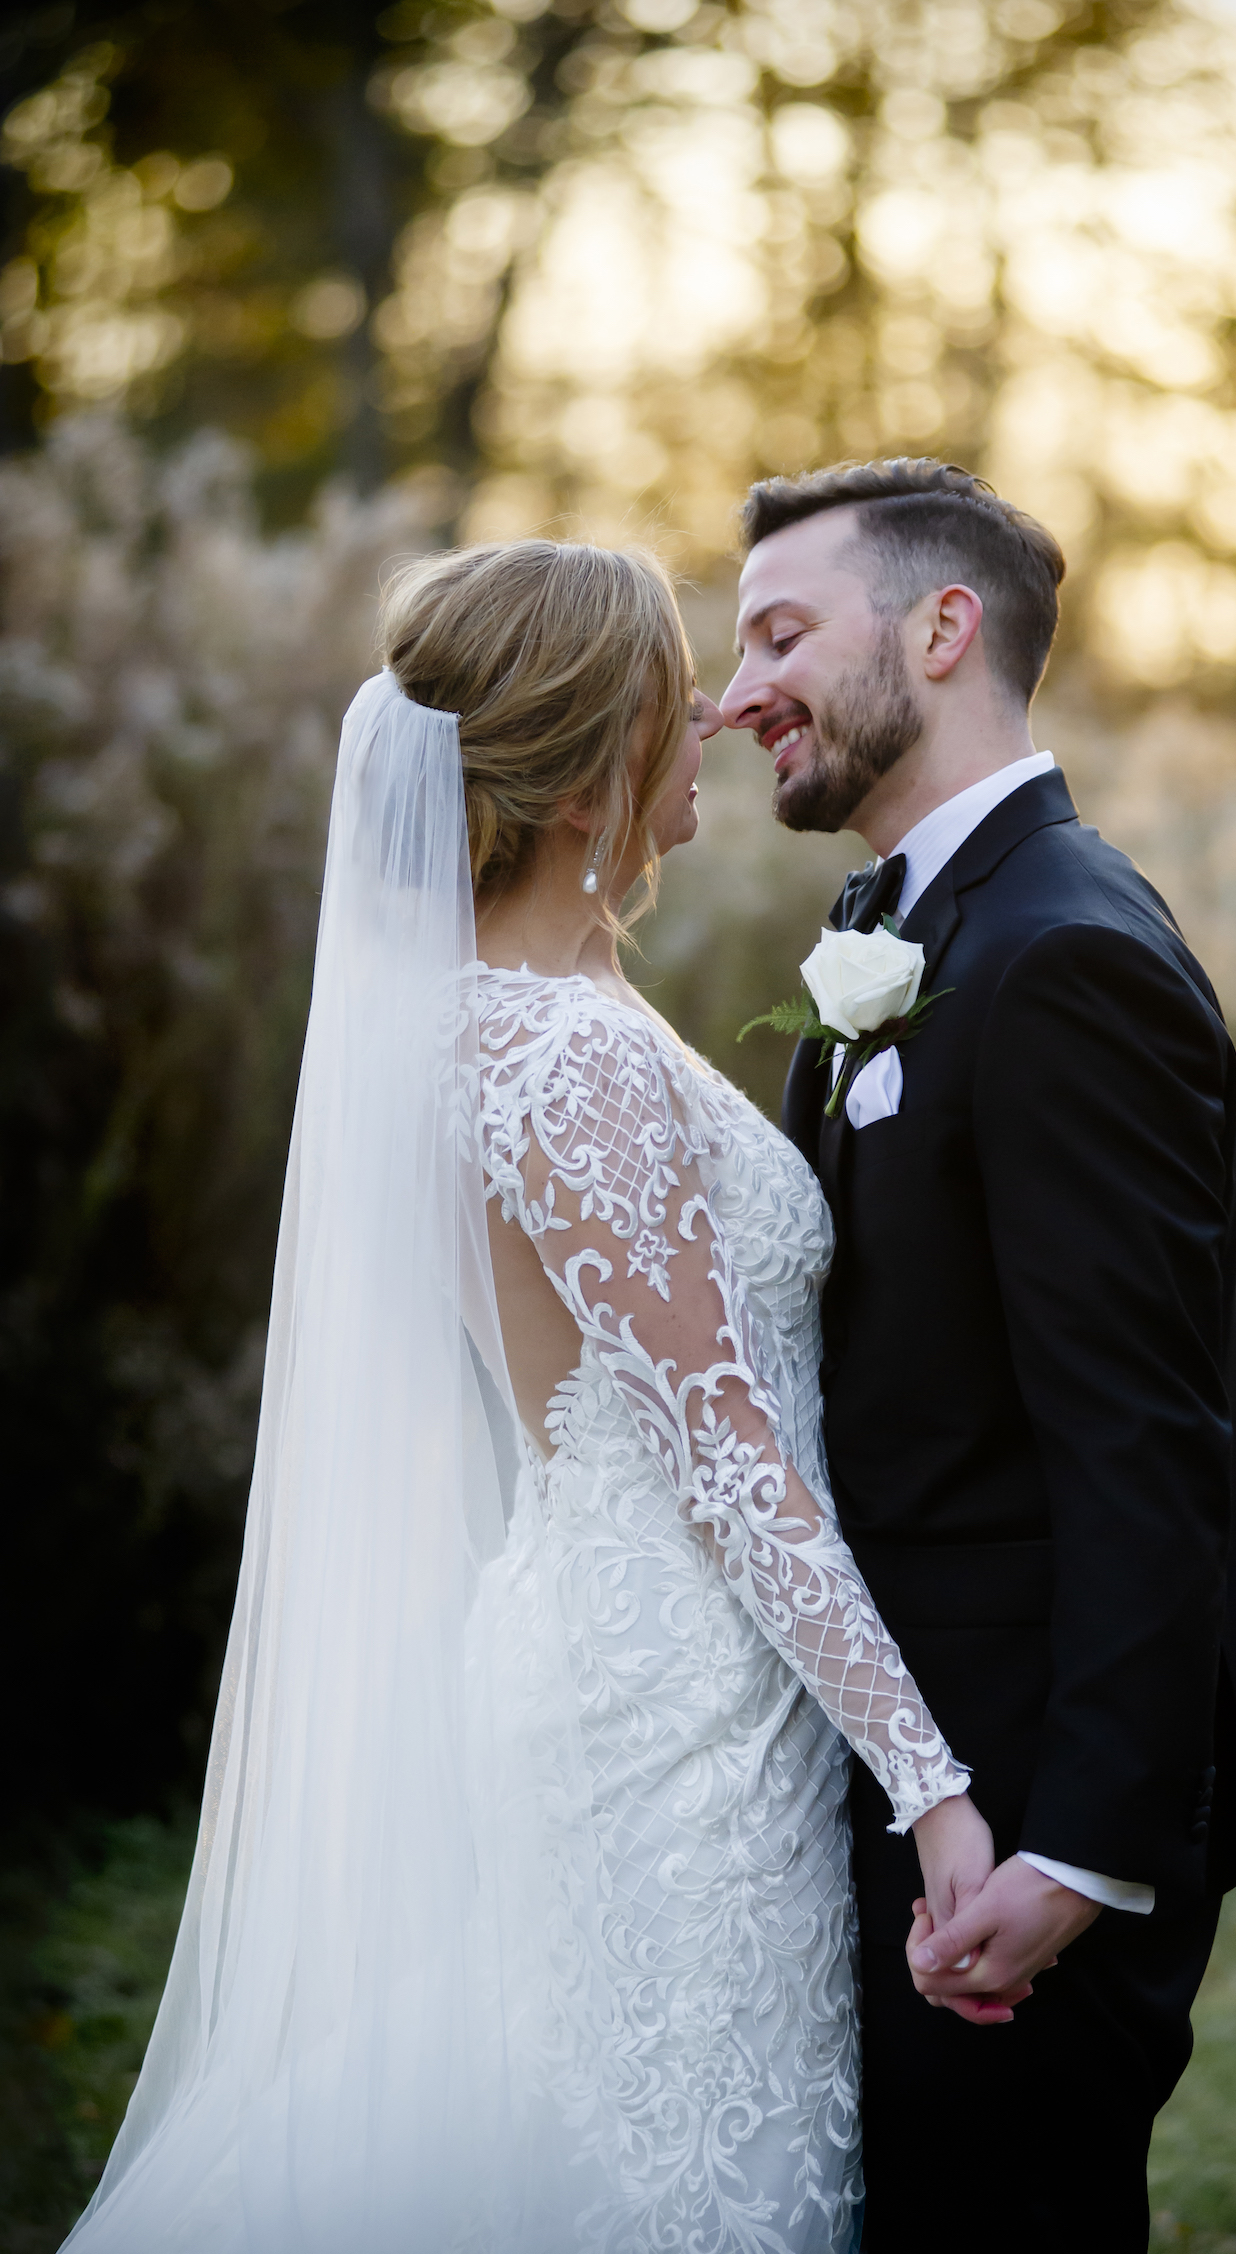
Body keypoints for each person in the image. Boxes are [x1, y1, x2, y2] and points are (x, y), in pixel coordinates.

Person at [61, 536, 999, 2254]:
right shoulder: (557, 1057)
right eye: (672, 693)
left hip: (633, 1648)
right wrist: (932, 1788)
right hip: (674, 1701)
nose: (713, 709)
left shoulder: (521, 1014)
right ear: (584, 774)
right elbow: (727, 1457)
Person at [721, 458, 1236, 2252]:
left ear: (942, 628)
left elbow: (1145, 1436)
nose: (739, 692)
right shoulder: (914, 927)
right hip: (927, 1766)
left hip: (1022, 1809)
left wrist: (1082, 1854)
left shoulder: (1063, 955)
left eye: (781, 631)